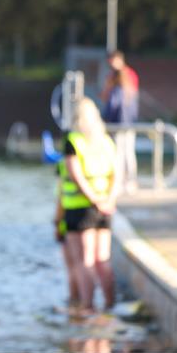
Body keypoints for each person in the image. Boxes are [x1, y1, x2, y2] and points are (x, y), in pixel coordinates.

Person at [61, 97, 119, 316]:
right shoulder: (106, 141)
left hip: (80, 207)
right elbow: (117, 174)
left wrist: (94, 200)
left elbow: (76, 176)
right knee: (102, 259)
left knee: (84, 260)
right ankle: (110, 305)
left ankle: (88, 306)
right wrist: (108, 200)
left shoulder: (73, 141)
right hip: (105, 206)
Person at [102, 50, 139, 192]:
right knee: (127, 152)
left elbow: (112, 103)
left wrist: (105, 119)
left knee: (119, 153)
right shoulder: (125, 85)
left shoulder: (122, 81)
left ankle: (123, 181)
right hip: (129, 122)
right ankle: (129, 181)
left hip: (119, 122)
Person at [54, 159, 81, 314]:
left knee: (74, 264)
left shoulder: (64, 163)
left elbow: (61, 196)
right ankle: (107, 305)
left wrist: (57, 223)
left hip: (71, 215)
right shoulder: (103, 149)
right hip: (100, 211)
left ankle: (75, 302)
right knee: (95, 261)